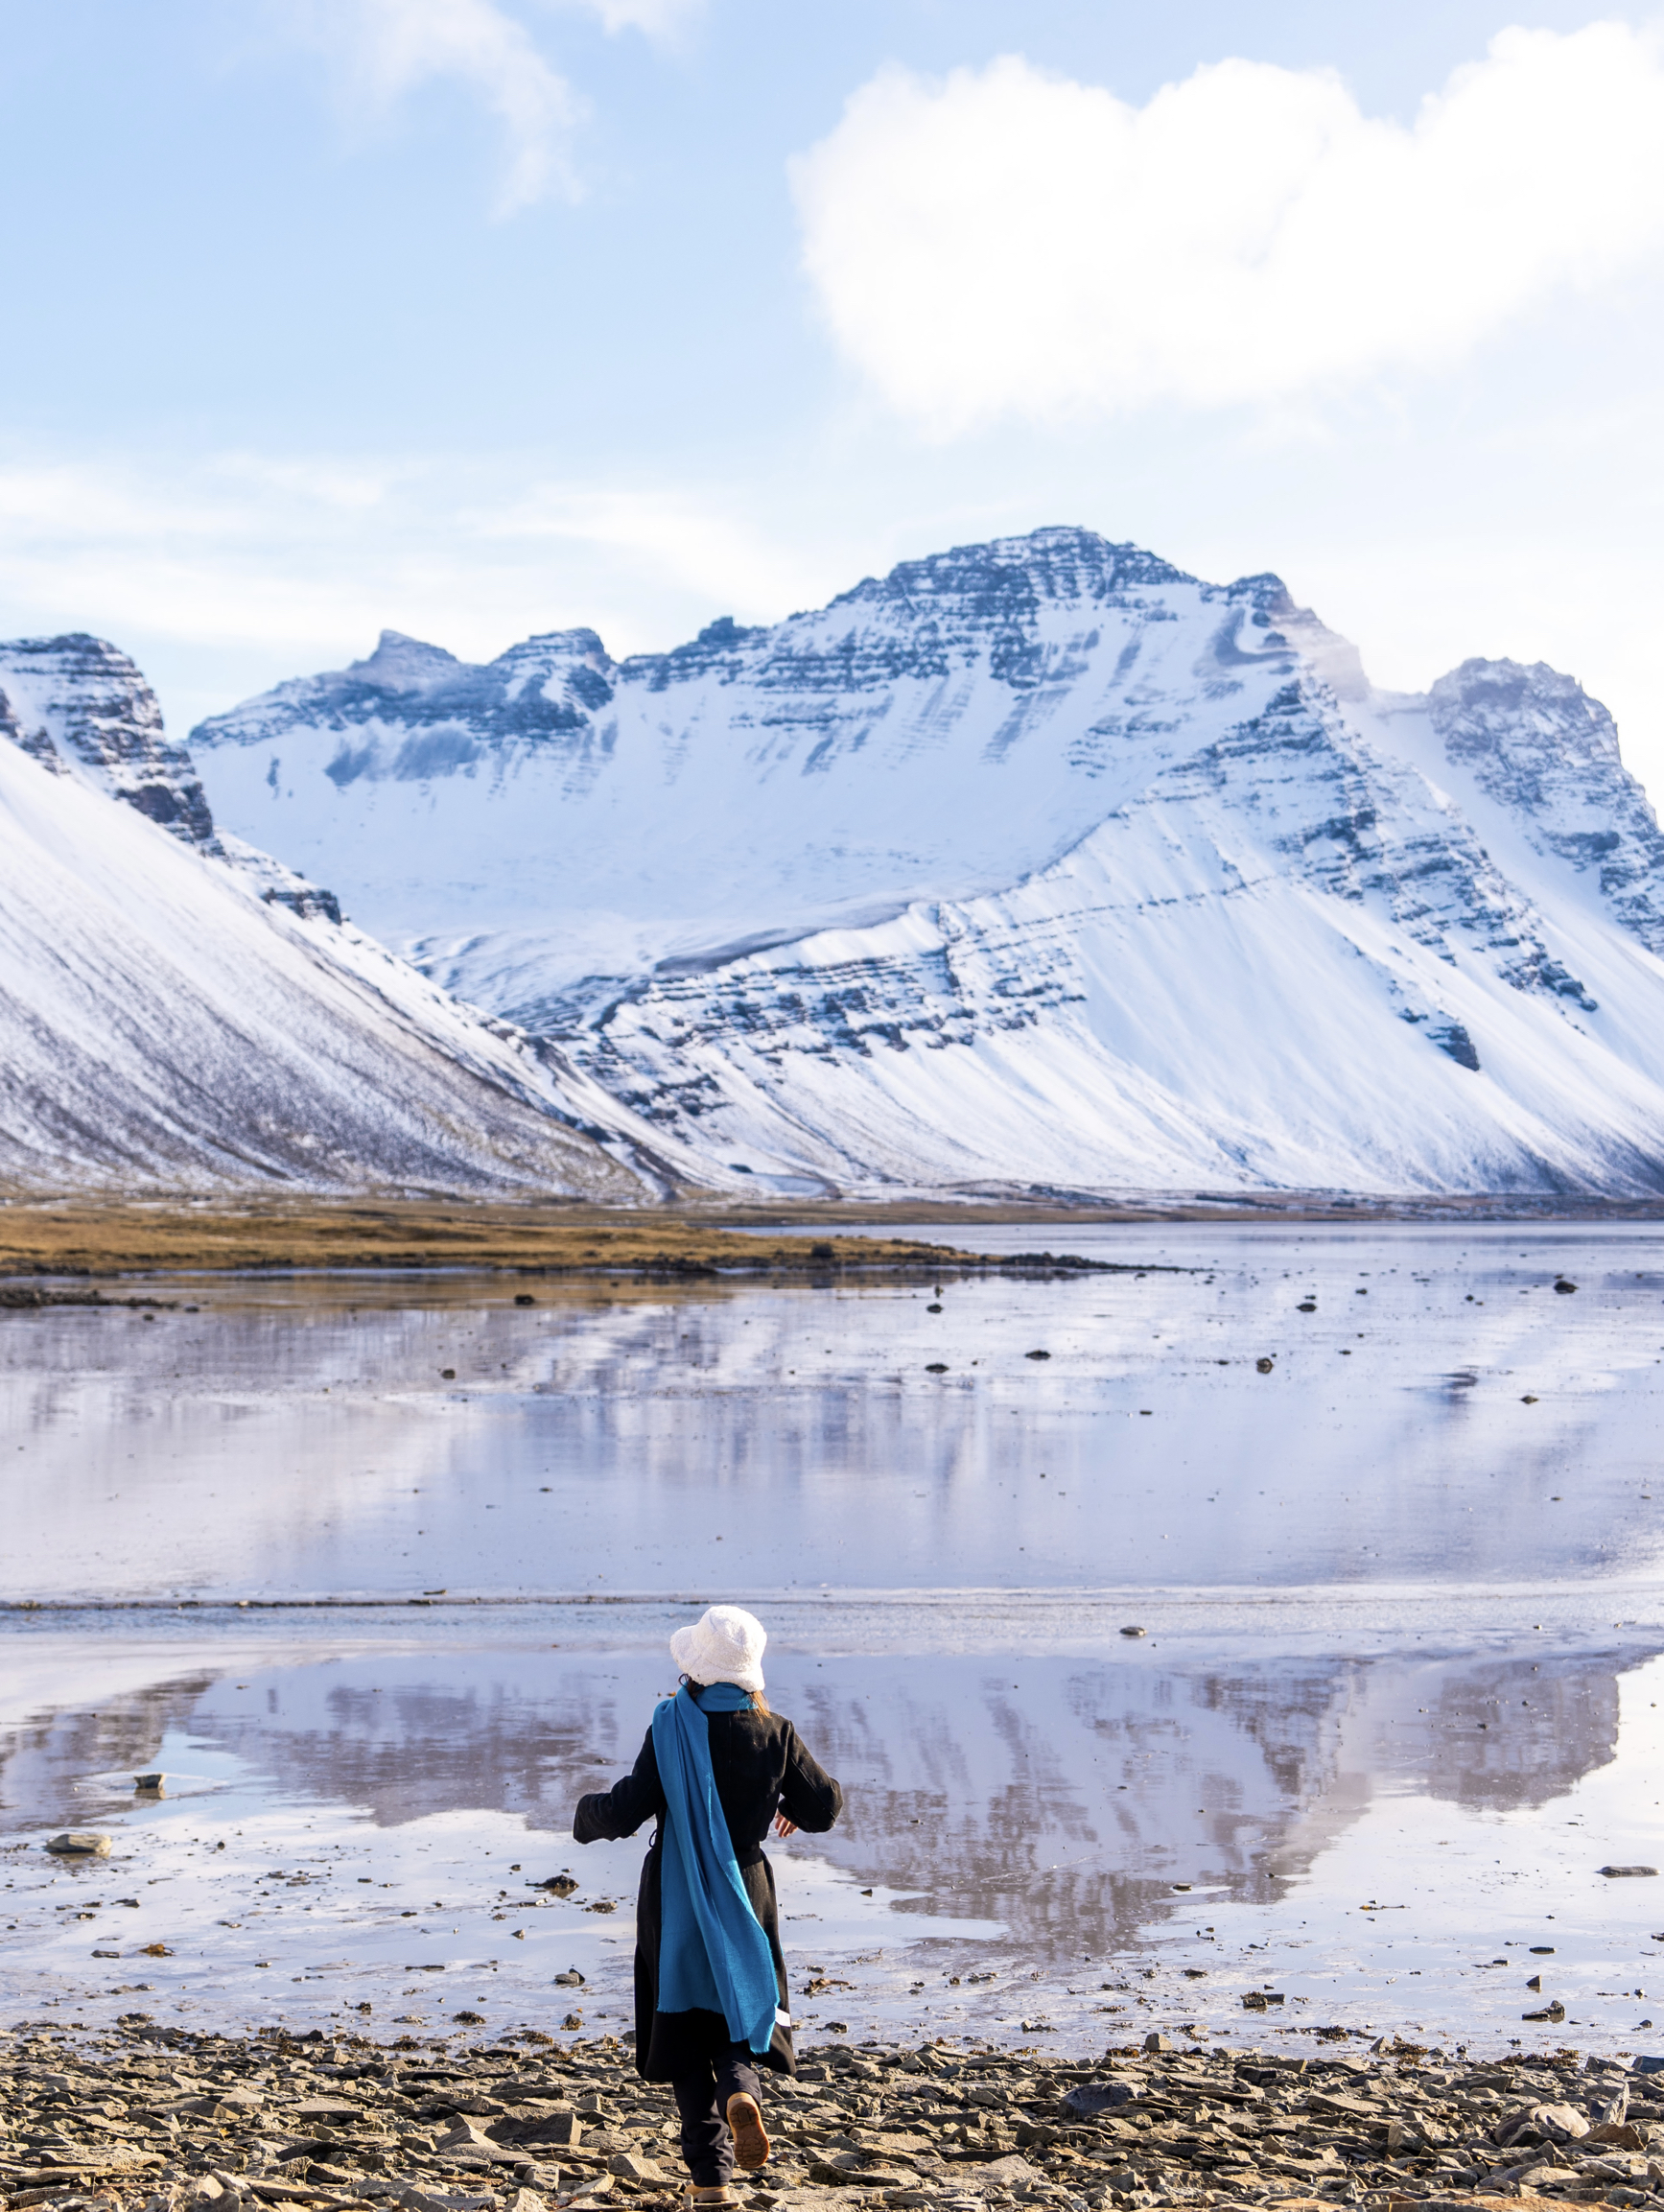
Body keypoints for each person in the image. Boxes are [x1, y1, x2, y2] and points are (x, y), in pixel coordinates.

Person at [572, 1604, 843, 2205]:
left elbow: (624, 1810)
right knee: (739, 2008)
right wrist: (790, 1805)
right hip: (747, 1888)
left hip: (675, 1895)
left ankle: (710, 2180)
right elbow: (824, 1807)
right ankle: (741, 2089)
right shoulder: (775, 1734)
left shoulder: (669, 1724)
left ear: (695, 1667)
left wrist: (583, 1815)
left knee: (686, 2026)